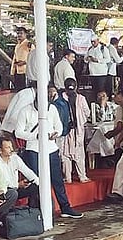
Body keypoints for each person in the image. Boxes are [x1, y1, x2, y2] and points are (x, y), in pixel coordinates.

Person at [15, 87, 83, 219]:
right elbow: (18, 132)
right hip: (34, 149)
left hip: (51, 148)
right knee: (36, 181)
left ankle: (65, 207)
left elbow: (59, 126)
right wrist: (35, 136)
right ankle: (36, 209)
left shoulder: (52, 109)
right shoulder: (25, 111)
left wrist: (55, 133)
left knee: (57, 180)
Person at [56, 79, 91, 184]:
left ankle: (69, 178)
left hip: (69, 130)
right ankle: (82, 176)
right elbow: (87, 113)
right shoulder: (80, 99)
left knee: (66, 154)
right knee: (77, 153)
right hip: (72, 130)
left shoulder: (60, 99)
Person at [0, 136, 39, 208]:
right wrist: (18, 184)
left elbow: (28, 172)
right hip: (2, 190)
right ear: (0, 150)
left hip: (16, 187)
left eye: (11, 146)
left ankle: (32, 211)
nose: (11, 149)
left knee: (36, 187)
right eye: (8, 147)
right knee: (13, 193)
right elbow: (4, 182)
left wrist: (38, 182)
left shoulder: (15, 158)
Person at [85, 35, 111, 100]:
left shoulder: (103, 49)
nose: (93, 43)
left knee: (101, 91)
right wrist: (87, 59)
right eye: (92, 42)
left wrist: (97, 60)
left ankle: (102, 102)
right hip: (92, 73)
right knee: (94, 91)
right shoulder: (90, 49)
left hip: (101, 73)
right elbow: (85, 59)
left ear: (98, 40)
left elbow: (108, 59)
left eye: (94, 41)